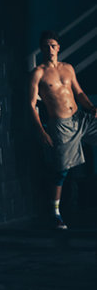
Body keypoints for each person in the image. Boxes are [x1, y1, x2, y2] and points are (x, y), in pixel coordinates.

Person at [29, 30, 97, 230]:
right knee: (61, 171)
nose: (50, 49)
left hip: (81, 118)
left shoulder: (68, 68)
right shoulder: (38, 73)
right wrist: (42, 131)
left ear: (58, 47)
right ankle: (55, 212)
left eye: (53, 45)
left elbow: (80, 92)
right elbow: (31, 104)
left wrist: (91, 107)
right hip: (61, 125)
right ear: (41, 49)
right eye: (46, 46)